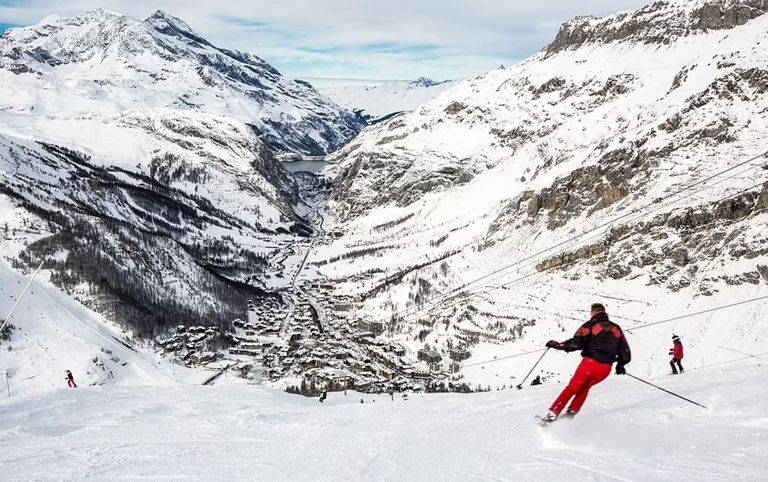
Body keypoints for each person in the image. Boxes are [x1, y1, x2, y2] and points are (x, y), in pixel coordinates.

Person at [539, 303, 631, 423]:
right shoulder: (616, 328)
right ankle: (572, 412)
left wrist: (557, 345)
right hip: (605, 369)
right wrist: (620, 365)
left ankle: (551, 415)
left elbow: (576, 343)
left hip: (590, 363)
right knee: (585, 387)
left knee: (572, 388)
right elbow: (625, 349)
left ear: (593, 313)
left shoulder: (590, 325)